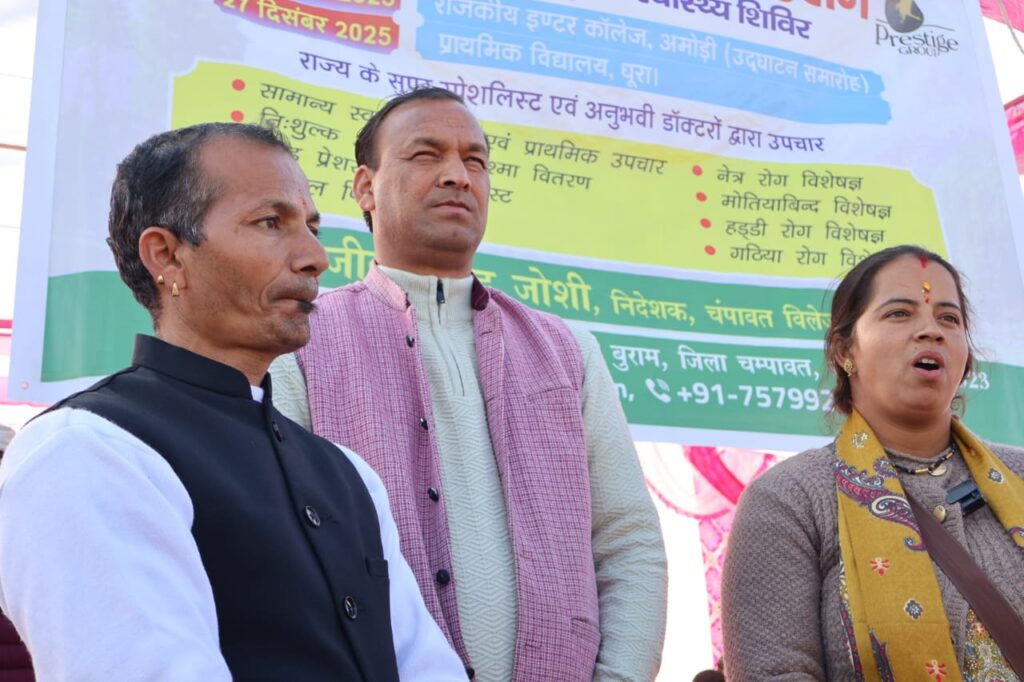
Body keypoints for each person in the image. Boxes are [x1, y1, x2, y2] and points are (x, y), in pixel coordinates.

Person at [0, 123, 466, 681]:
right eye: (271, 222)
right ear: (167, 256)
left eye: (312, 227)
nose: (316, 257)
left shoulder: (349, 476)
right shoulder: (86, 451)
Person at [270, 87, 668, 681]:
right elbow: (282, 552)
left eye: (475, 161)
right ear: (365, 187)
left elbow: (628, 542)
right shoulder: (300, 344)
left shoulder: (567, 351)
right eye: (426, 155)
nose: (458, 175)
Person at [722, 245, 1024, 679]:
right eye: (899, 313)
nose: (931, 331)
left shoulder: (1018, 476)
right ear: (844, 351)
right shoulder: (790, 500)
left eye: (949, 318)